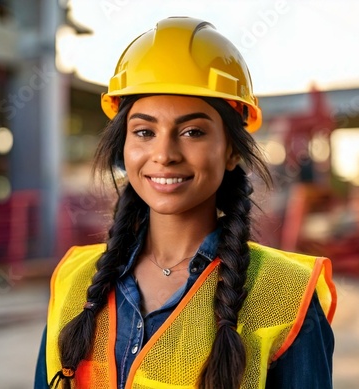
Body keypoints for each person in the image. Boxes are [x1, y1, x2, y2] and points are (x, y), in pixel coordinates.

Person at [35, 17, 337, 389]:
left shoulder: (285, 292)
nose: (164, 154)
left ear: (230, 151)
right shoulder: (73, 281)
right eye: (144, 132)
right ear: (124, 148)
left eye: (193, 131)